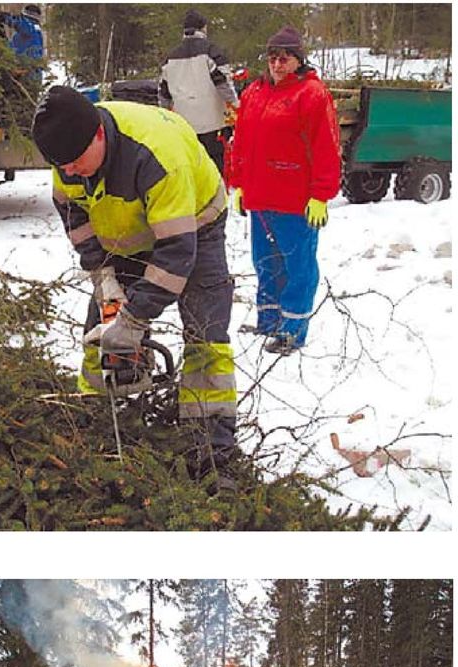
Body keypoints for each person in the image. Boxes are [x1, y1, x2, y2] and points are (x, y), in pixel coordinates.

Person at [31, 84, 237, 471]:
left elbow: (177, 254)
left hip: (195, 226)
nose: (69, 172)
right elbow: (77, 220)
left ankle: (212, 453)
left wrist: (135, 319)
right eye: (61, 166)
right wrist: (104, 278)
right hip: (124, 237)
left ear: (98, 135)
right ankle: (101, 431)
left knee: (205, 335)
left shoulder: (157, 156)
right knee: (103, 335)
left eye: (75, 162)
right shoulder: (68, 156)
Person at [227, 25, 341, 355]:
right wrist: (239, 183)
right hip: (261, 197)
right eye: (273, 58)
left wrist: (321, 194)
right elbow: (242, 142)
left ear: (298, 60)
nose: (277, 64)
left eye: (285, 58)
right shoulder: (253, 93)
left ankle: (293, 328)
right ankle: (269, 321)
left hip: (296, 201)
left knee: (298, 266)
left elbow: (326, 148)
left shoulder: (312, 95)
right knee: (265, 262)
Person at [158, 9, 238, 170]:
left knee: (193, 168)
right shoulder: (212, 52)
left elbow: (163, 94)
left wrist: (165, 118)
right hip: (213, 124)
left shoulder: (170, 58)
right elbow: (223, 84)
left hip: (185, 126)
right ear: (203, 28)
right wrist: (236, 105)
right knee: (215, 170)